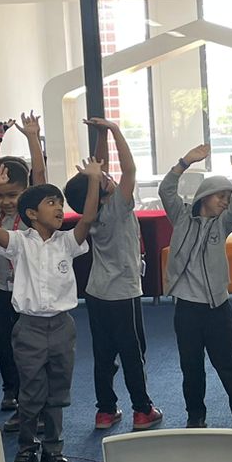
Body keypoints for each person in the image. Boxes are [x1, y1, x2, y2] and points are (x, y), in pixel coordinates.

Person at [0, 157, 101, 462]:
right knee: (31, 392)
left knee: (57, 392)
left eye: (60, 203)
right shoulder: (21, 243)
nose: (59, 208)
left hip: (62, 326)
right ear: (32, 214)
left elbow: (88, 217)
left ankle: (54, 450)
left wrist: (93, 179)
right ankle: (26, 449)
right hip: (30, 328)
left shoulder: (68, 242)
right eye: (52, 203)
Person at [63, 117, 162, 432]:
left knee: (104, 354)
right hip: (122, 294)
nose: (108, 175)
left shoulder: (90, 214)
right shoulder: (118, 207)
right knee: (134, 353)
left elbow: (98, 166)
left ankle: (105, 411)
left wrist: (101, 134)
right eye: (105, 178)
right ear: (104, 189)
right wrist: (117, 130)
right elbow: (130, 171)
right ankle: (142, 410)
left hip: (96, 293)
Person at [159, 145, 232, 429]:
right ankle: (195, 416)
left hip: (217, 308)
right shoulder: (181, 216)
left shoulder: (222, 224)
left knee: (228, 365)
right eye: (220, 197)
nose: (225, 202)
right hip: (187, 308)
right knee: (191, 367)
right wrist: (185, 161)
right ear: (204, 196)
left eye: (227, 197)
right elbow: (166, 190)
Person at [0, 107, 45, 429]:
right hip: (1, 286)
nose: (4, 201)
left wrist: (32, 139)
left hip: (28, 291)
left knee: (29, 348)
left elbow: (40, 180)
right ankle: (13, 392)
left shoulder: (32, 216)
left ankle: (35, 402)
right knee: (4, 341)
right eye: (0, 196)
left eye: (12, 195)